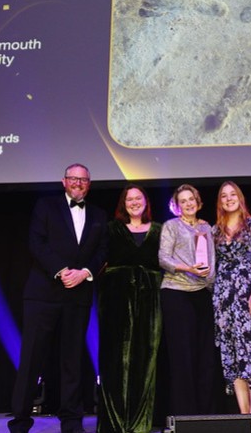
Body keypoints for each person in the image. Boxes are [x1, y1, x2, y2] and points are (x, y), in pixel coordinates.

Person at [8, 163, 108, 433]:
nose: (78, 183)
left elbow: (102, 252)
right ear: (64, 181)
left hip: (78, 297)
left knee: (72, 361)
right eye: (73, 178)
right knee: (31, 360)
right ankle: (19, 422)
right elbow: (36, 243)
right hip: (43, 295)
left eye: (83, 180)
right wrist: (62, 271)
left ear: (89, 184)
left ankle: (72, 423)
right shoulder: (46, 206)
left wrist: (85, 273)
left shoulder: (99, 214)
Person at [97, 184, 163, 433]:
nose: (134, 202)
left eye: (139, 198)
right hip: (115, 298)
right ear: (123, 204)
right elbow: (99, 257)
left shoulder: (159, 230)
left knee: (145, 360)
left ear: (146, 201)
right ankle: (113, 424)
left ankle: (139, 424)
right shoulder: (111, 229)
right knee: (114, 359)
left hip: (150, 300)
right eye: (129, 199)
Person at [158, 183, 217, 417]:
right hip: (176, 292)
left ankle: (205, 415)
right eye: (183, 201)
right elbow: (163, 258)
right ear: (176, 205)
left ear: (198, 201)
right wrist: (188, 269)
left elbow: (212, 261)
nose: (188, 203)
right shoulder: (171, 226)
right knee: (182, 357)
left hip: (202, 294)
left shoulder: (207, 227)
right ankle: (185, 416)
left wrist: (209, 283)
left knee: (204, 357)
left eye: (191, 199)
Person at [211, 180, 251, 414]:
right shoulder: (214, 231)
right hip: (223, 297)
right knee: (232, 353)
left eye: (232, 194)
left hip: (247, 293)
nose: (228, 199)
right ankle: (244, 415)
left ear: (240, 197)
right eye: (223, 196)